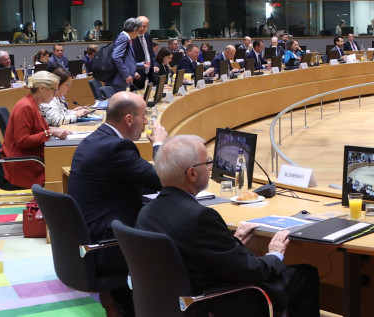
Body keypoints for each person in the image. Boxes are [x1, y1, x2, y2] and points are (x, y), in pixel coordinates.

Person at [137, 135, 320, 317]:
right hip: (215, 302)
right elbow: (250, 270)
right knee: (304, 276)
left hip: (173, 304)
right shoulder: (200, 218)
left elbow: (193, 253)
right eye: (207, 163)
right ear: (191, 173)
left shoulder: (146, 213)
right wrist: (275, 254)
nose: (210, 168)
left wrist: (230, 243)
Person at [67, 91, 165, 309]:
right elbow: (162, 178)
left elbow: (139, 179)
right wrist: (158, 145)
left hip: (88, 239)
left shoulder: (96, 139)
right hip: (107, 246)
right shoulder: (116, 148)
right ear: (129, 119)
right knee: (176, 248)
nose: (147, 121)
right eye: (144, 115)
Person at [2, 71, 71, 188]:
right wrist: (49, 132)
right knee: (64, 167)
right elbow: (22, 141)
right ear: (42, 89)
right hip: (24, 164)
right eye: (54, 90)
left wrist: (51, 130)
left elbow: (36, 129)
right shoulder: (25, 107)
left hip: (33, 157)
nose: (55, 95)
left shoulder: (33, 104)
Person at [109, 18, 141, 91]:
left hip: (121, 79)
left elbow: (127, 60)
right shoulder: (123, 38)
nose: (138, 33)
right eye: (138, 31)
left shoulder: (125, 37)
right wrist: (126, 74)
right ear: (135, 30)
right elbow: (116, 57)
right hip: (119, 79)